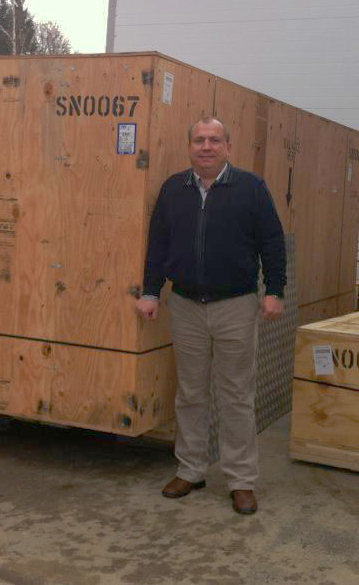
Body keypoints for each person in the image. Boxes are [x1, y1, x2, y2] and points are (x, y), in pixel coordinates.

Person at [135, 116, 286, 515]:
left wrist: (275, 290)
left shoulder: (251, 188)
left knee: (236, 395)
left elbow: (272, 242)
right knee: (190, 393)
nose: (206, 146)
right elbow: (158, 244)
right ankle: (191, 470)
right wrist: (150, 291)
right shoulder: (174, 189)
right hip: (185, 306)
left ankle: (241, 480)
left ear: (227, 148)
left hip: (236, 306)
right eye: (199, 140)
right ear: (190, 147)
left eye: (214, 140)